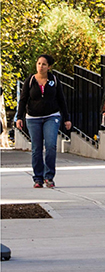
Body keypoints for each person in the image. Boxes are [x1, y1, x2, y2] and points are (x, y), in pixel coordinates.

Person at [15, 54, 72, 188]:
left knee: (51, 146)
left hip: (52, 116)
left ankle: (49, 177)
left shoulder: (54, 81)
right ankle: (38, 178)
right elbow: (23, 100)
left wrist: (66, 118)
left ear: (49, 67)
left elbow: (61, 100)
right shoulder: (30, 80)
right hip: (33, 118)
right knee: (37, 149)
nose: (40, 66)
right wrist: (19, 118)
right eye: (39, 63)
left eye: (44, 64)